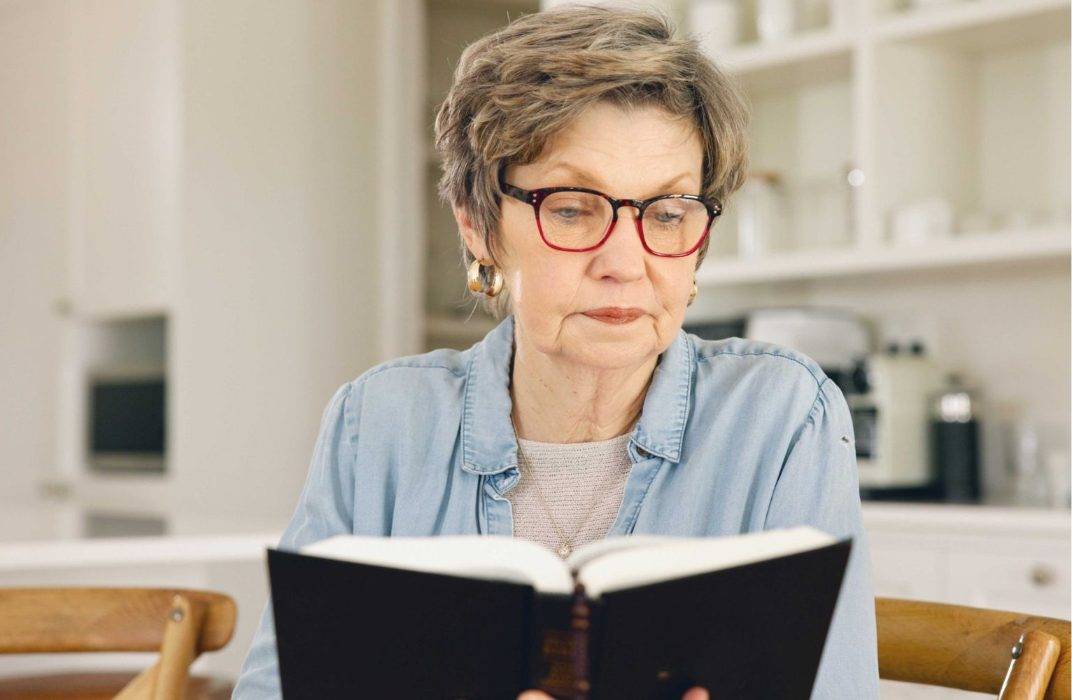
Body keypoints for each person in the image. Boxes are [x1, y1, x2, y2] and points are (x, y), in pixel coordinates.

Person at [232, 5, 879, 698]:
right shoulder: (378, 424)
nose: (626, 262)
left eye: (666, 213)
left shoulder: (783, 419)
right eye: (572, 207)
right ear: (479, 227)